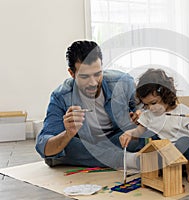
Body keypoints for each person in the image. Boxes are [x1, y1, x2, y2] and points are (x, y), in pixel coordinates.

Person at [35, 40, 140, 169]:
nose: (93, 83)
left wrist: (141, 116)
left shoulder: (123, 82)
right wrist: (68, 133)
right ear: (72, 73)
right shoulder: (61, 96)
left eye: (97, 74)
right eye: (85, 76)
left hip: (116, 139)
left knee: (148, 134)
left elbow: (145, 112)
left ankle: (103, 159)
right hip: (84, 144)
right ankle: (127, 159)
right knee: (60, 148)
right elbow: (43, 146)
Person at [119, 68, 189, 183]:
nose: (151, 108)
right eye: (146, 105)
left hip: (182, 154)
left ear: (166, 94)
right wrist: (130, 133)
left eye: (153, 103)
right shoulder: (148, 115)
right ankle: (154, 168)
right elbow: (139, 131)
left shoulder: (181, 111)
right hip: (161, 156)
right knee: (147, 138)